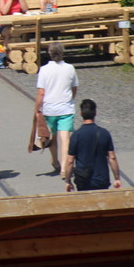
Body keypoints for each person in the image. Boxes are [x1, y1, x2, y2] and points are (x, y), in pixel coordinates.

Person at [34, 42, 78, 173]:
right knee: (65, 138)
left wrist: (37, 108)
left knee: (52, 136)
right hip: (66, 108)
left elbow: (41, 92)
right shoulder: (70, 68)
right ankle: (65, 168)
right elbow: (74, 88)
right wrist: (70, 99)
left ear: (49, 53)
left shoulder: (44, 69)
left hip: (49, 109)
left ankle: (55, 160)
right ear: (63, 53)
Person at [63, 99, 120, 192]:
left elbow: (70, 161)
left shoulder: (76, 135)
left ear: (81, 113)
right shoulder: (104, 133)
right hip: (101, 179)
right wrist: (117, 178)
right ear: (95, 113)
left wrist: (68, 181)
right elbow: (112, 157)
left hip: (83, 180)